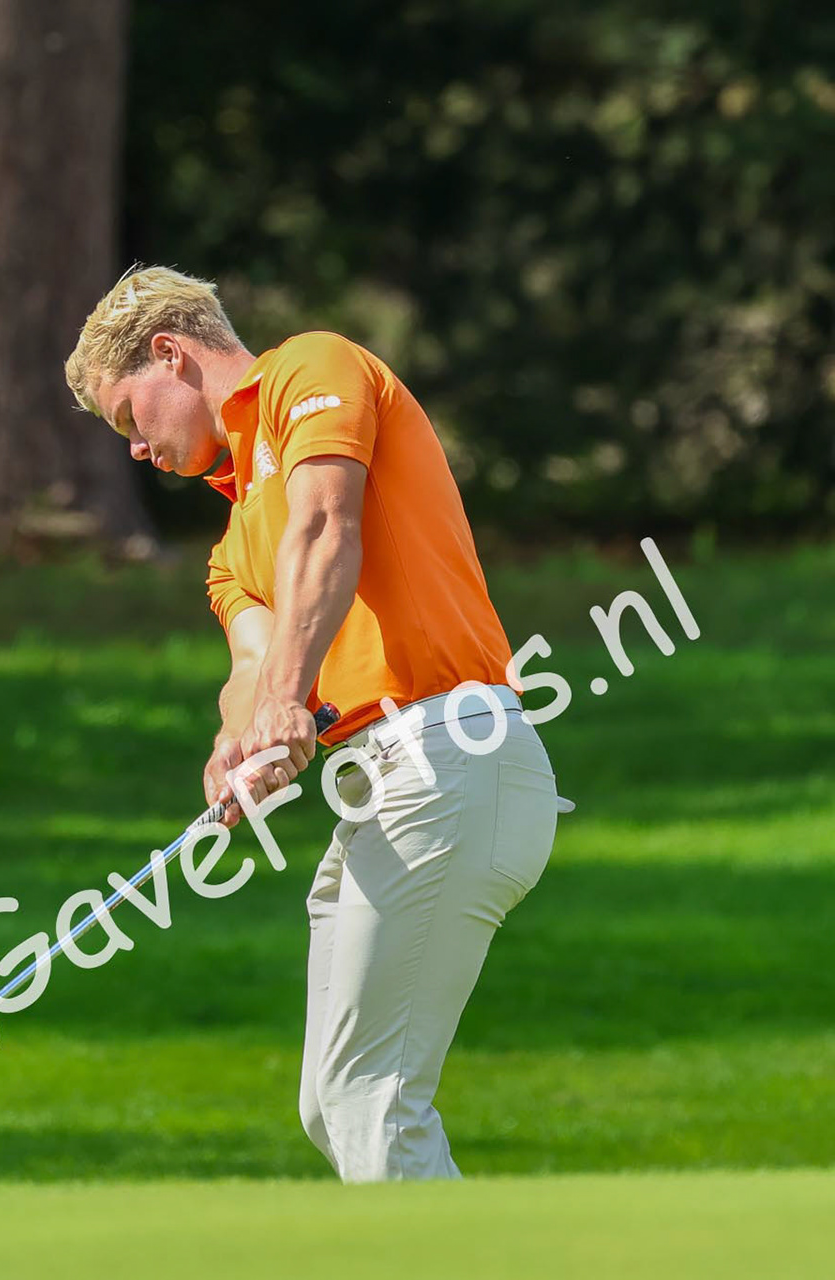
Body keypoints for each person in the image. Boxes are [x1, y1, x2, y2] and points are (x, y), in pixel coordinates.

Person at [64, 266, 559, 1183]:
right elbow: (253, 665)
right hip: (389, 781)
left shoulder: (310, 370)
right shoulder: (230, 545)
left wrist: (289, 699)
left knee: (371, 1097)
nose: (133, 449)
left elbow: (330, 529)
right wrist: (237, 742)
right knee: (332, 1106)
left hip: (453, 750)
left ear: (170, 354)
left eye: (130, 418)